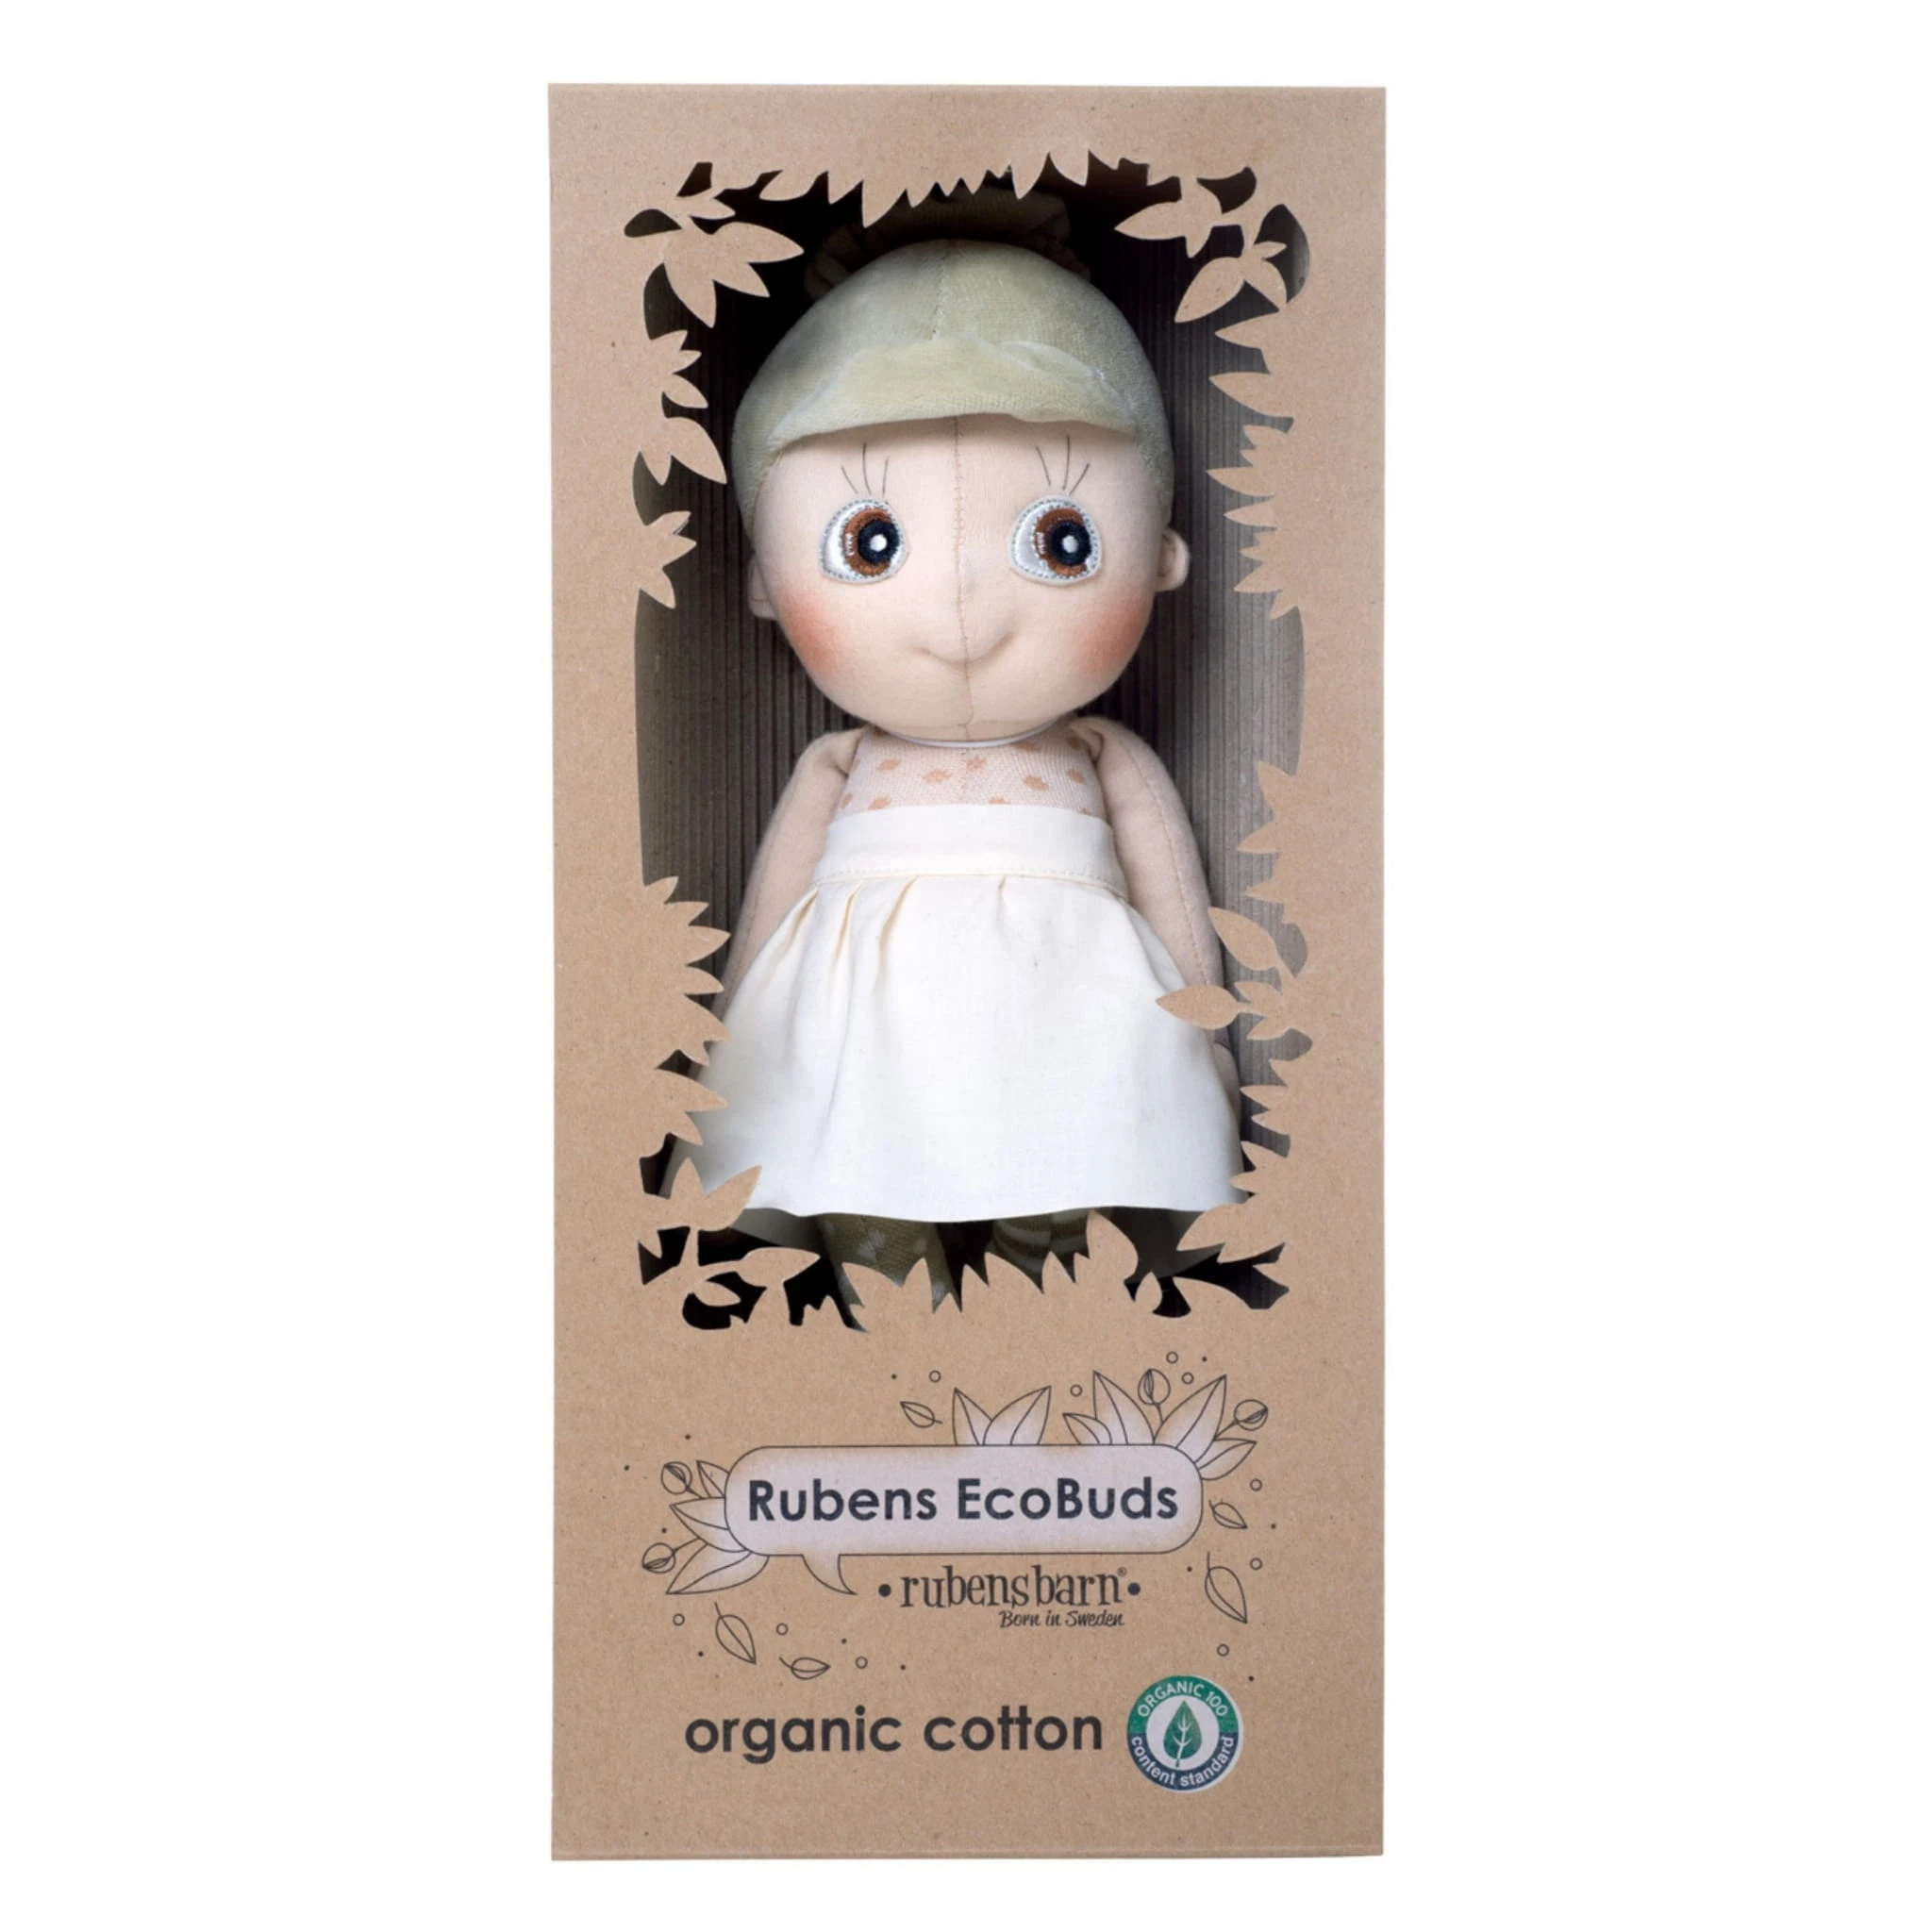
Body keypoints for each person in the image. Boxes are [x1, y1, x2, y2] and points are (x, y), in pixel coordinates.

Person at [681, 237, 1241, 1300]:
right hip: (866, 1027)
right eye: (870, 544)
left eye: (1064, 541)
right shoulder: (840, 762)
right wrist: (731, 1043)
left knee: (1072, 1157)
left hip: (1065, 1013)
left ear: (1160, 554)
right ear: (765, 583)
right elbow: (769, 915)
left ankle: (1040, 1297)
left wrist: (1204, 1035)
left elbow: (1174, 904)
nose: (960, 610)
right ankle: (896, 1309)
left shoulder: (1099, 755)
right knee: (853, 1157)